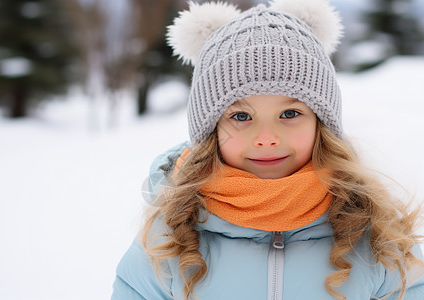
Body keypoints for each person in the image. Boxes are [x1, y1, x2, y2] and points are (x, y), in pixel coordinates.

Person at [111, 0, 424, 299]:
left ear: (321, 123)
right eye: (241, 116)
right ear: (210, 130)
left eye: (289, 114)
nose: (266, 138)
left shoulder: (376, 232)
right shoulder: (171, 237)